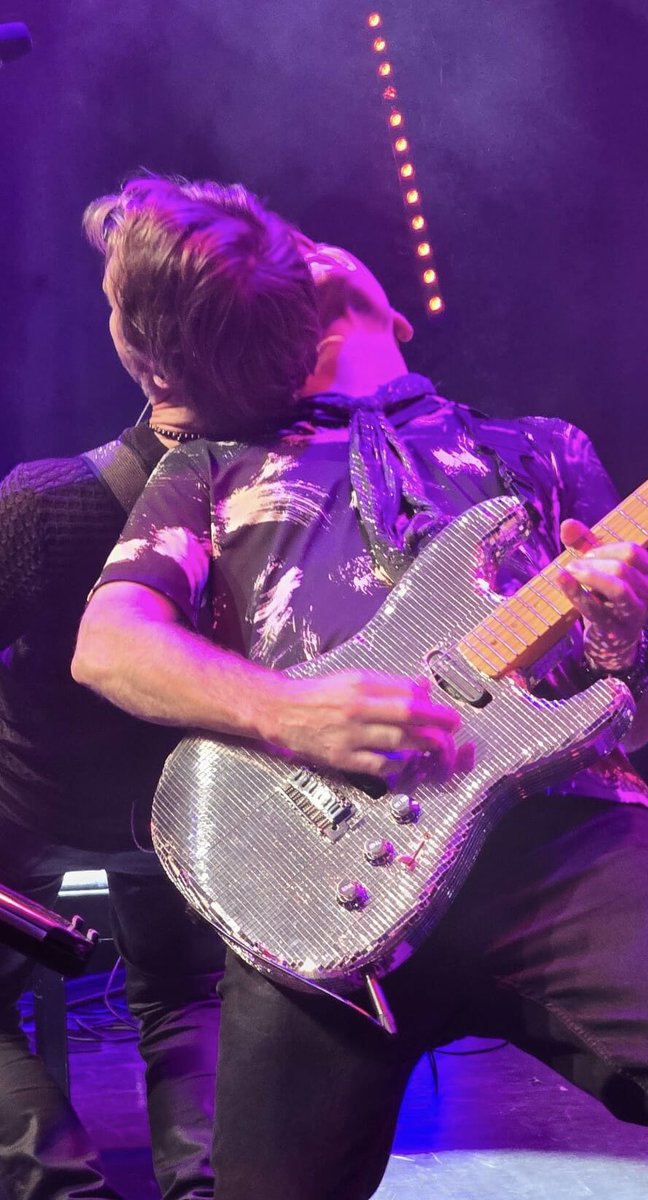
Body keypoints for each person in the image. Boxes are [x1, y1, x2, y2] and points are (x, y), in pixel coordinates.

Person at [72, 235, 648, 1200]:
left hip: (566, 839)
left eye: (323, 242)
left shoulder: (538, 449)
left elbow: (638, 712)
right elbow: (109, 645)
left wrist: (617, 641)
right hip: (311, 861)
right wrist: (288, 713)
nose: (309, 244)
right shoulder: (211, 463)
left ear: (396, 315)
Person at [0, 173, 320, 1200]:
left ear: (140, 350)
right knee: (184, 998)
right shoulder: (307, 499)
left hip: (34, 820)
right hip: (192, 830)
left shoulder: (43, 506)